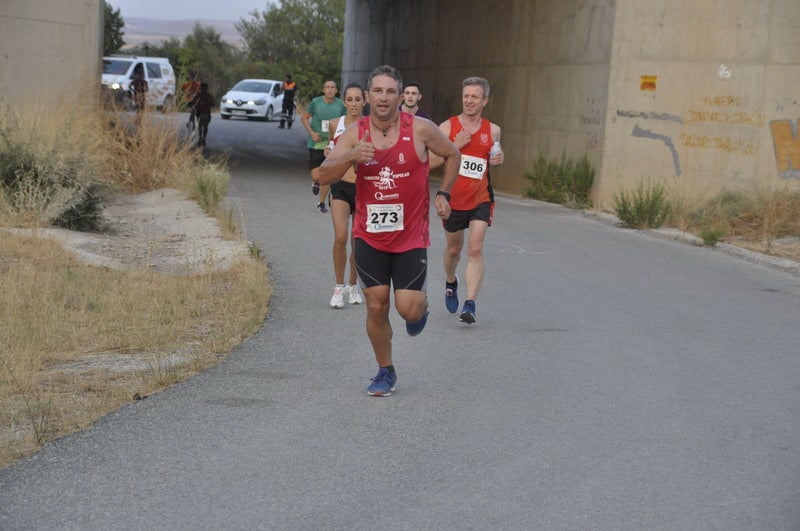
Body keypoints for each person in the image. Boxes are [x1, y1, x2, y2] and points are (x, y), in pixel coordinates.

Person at [318, 65, 460, 397]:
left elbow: (452, 154)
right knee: (376, 303)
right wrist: (351, 156)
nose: (384, 98)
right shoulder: (355, 133)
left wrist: (443, 193)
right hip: (369, 235)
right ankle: (385, 370)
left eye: (391, 91)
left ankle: (419, 309)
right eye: (378, 91)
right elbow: (322, 176)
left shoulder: (421, 130)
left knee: (408, 308)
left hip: (410, 236)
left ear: (400, 96)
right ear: (368, 97)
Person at [430, 76, 504, 325]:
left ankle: (470, 304)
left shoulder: (492, 130)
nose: (469, 101)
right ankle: (451, 280)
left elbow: (492, 156)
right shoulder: (447, 127)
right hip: (453, 199)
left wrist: (498, 158)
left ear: (485, 100)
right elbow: (428, 163)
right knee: (454, 250)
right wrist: (453, 147)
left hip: (480, 198)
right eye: (466, 96)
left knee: (475, 248)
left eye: (474, 96)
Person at [324, 82, 366, 308]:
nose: (353, 104)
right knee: (341, 237)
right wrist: (328, 153)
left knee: (358, 242)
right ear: (343, 101)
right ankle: (339, 287)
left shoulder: (372, 126)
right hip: (340, 186)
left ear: (364, 101)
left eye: (357, 99)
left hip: (364, 188)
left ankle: (352, 285)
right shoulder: (334, 124)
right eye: (349, 100)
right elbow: (330, 153)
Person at [302, 79, 345, 214]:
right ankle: (316, 182)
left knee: (326, 175)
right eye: (328, 87)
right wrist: (312, 133)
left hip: (331, 144)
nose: (330, 90)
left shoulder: (340, 105)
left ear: (336, 90)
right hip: (316, 143)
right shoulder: (316, 102)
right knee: (316, 176)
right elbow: (304, 118)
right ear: (323, 90)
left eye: (333, 87)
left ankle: (321, 202)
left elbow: (344, 122)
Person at [190, 82, 215, 147]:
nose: (203, 89)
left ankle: (202, 138)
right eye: (202, 87)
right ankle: (202, 138)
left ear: (206, 88)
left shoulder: (208, 96)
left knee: (203, 126)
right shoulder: (198, 95)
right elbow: (192, 102)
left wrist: (206, 103)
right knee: (201, 126)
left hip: (205, 112)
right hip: (200, 112)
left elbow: (212, 104)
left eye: (204, 87)